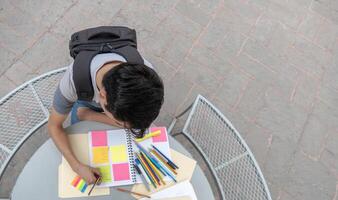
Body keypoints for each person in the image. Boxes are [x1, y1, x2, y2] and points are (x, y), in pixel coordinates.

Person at [47, 53, 164, 184]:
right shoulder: (73, 82)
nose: (126, 127)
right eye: (120, 123)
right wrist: (77, 166)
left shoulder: (148, 78)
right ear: (102, 96)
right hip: (85, 98)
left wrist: (88, 115)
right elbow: (53, 126)